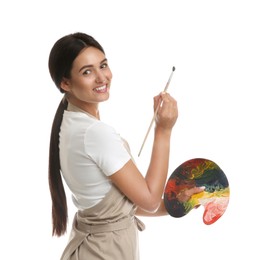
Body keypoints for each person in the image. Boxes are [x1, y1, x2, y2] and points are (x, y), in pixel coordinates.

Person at [48, 32, 204, 260]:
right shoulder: (94, 133)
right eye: (87, 71)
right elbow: (149, 201)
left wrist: (177, 203)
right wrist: (163, 130)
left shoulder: (71, 123)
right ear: (65, 83)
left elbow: (119, 208)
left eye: (103, 65)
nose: (102, 78)